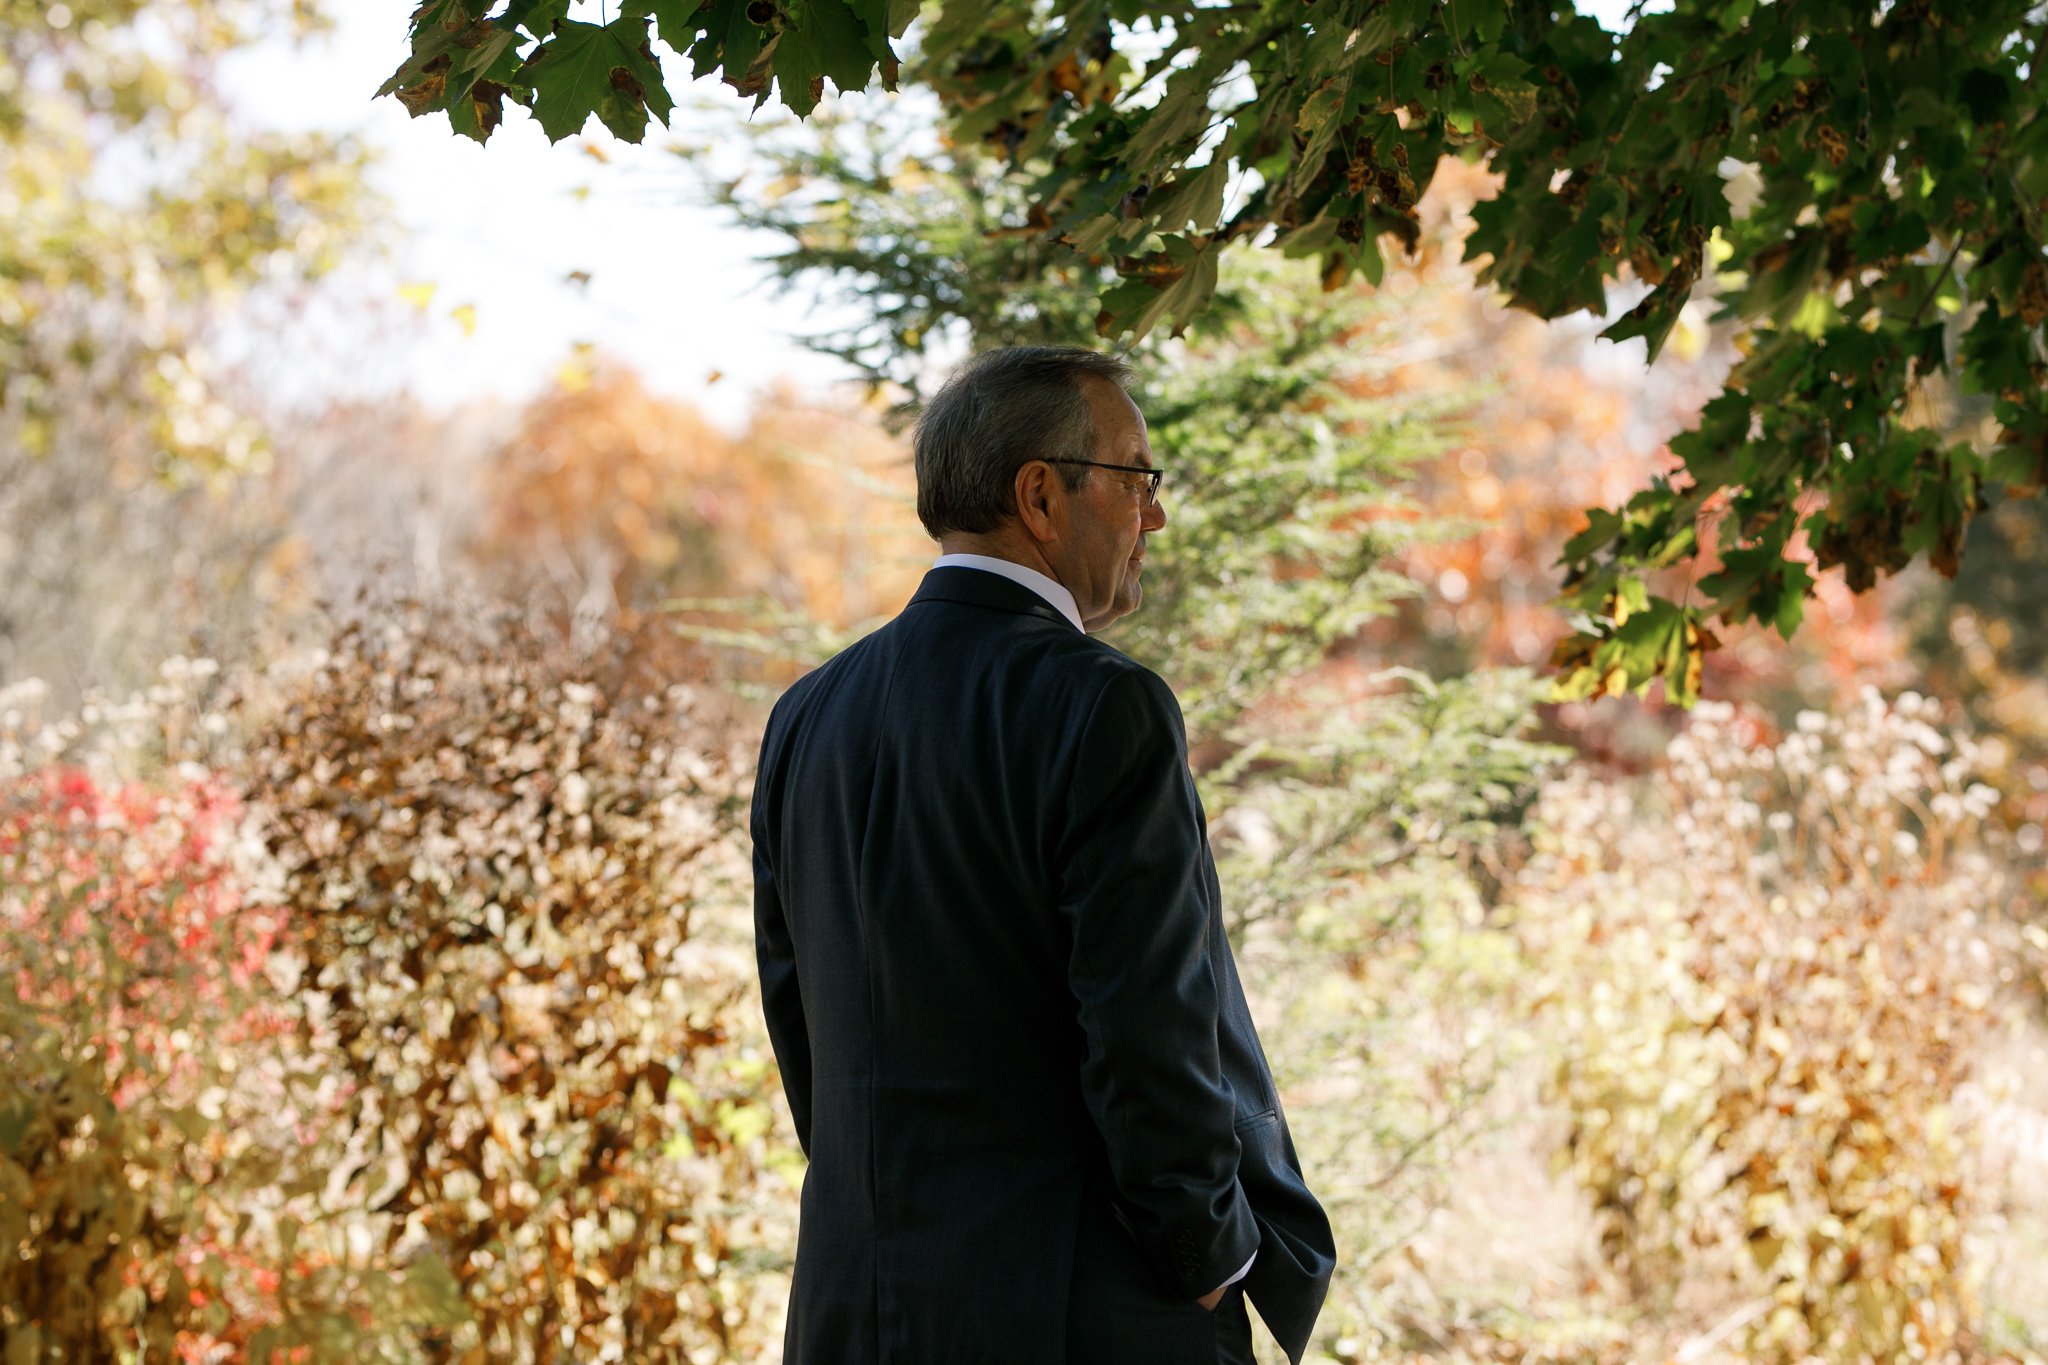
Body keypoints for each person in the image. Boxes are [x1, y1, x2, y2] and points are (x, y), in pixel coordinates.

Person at [751, 346, 1335, 1365]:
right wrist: (1207, 1260)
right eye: (1133, 477)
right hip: (1078, 1317)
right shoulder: (1102, 704)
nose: (1150, 515)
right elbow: (1148, 1030)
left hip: (856, 1314)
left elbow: (800, 1024)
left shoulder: (805, 715)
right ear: (1040, 496)